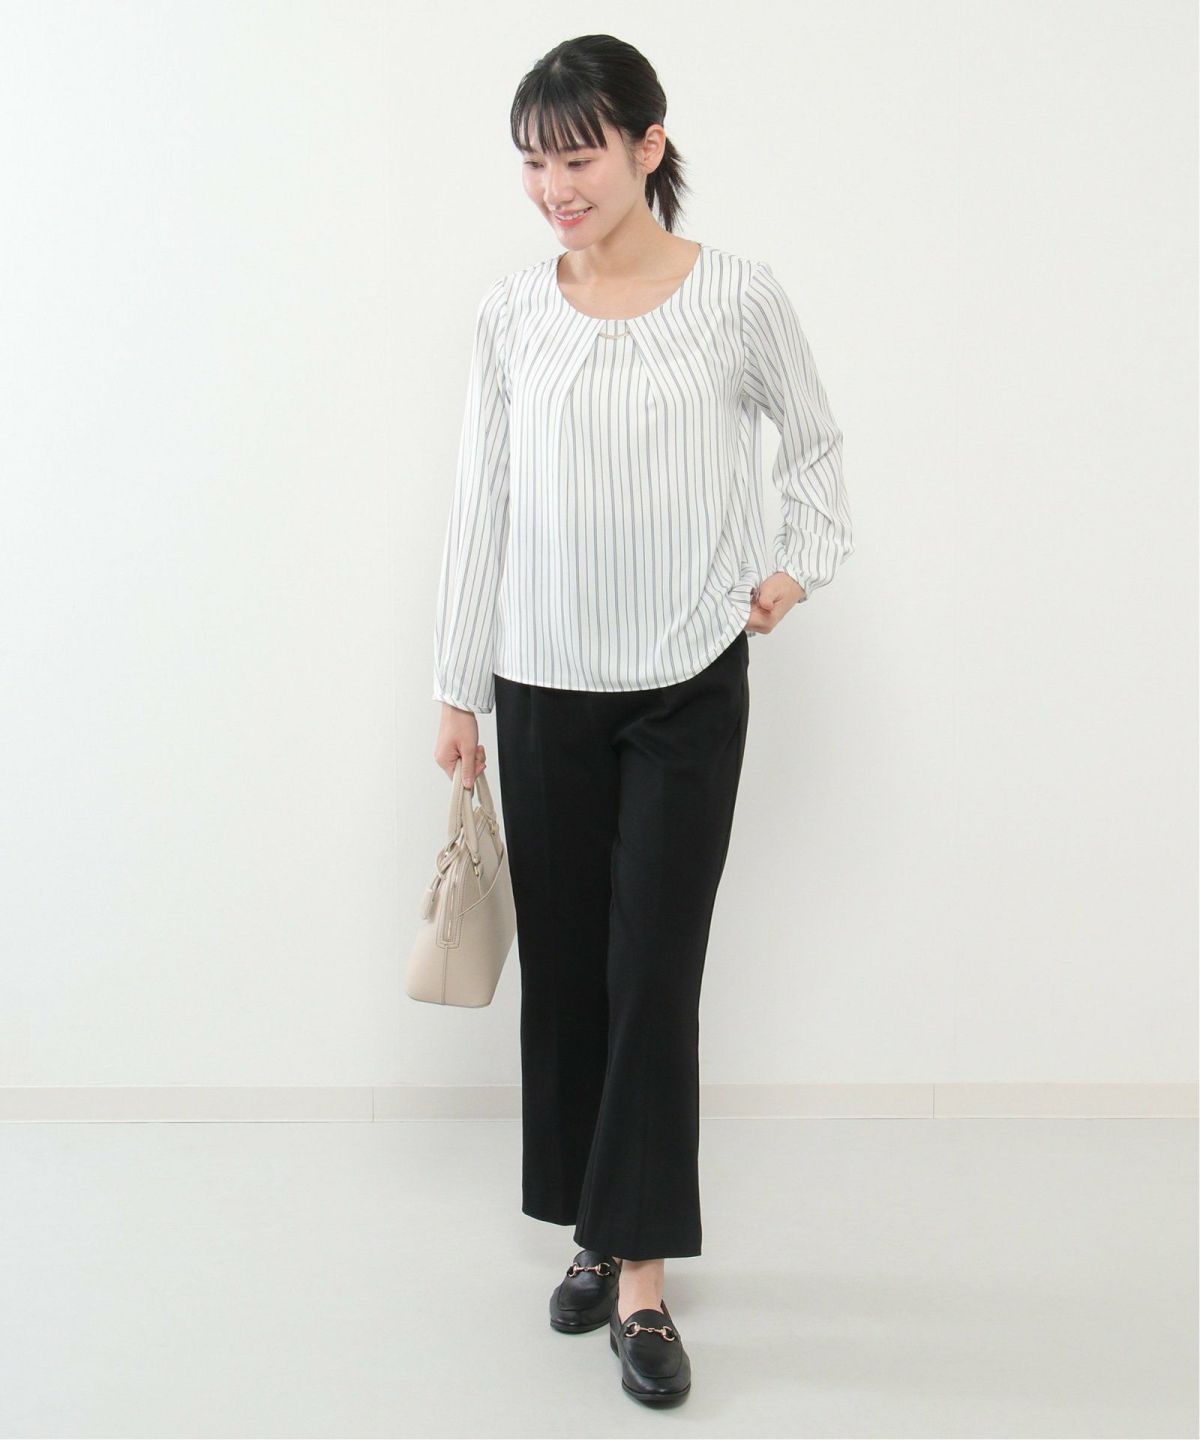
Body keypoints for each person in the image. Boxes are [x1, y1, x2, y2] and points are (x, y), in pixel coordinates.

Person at [431, 34, 853, 1406]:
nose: (555, 187)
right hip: (542, 685)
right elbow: (482, 500)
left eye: (579, 157)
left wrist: (797, 564)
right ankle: (594, 1232)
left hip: (685, 684)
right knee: (570, 979)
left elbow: (815, 442)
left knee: (654, 974)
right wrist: (457, 685)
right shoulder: (512, 314)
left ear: (648, 146)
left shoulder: (737, 296)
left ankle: (645, 1286)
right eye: (534, 162)